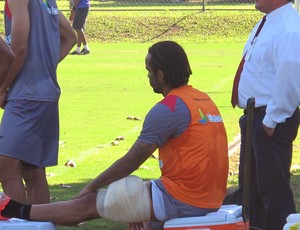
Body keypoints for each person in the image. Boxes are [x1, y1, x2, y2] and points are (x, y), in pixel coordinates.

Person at [0, 41, 229, 229]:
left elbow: (133, 160)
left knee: (90, 204)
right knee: (146, 218)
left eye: (149, 71)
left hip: (184, 198)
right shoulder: (203, 99)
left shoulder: (168, 108)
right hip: (210, 196)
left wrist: (92, 187)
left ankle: (16, 210)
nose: (147, 76)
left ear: (161, 75)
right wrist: (136, 206)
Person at [224, 0, 300, 229]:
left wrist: (272, 119)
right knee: (251, 191)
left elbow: (291, 75)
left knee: (272, 189)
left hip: (270, 117)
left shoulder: (289, 26)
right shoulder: (269, 22)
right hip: (256, 115)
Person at [0, 0, 77, 204]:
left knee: (7, 165)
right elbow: (70, 37)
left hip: (25, 93)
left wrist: (3, 86)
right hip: (46, 91)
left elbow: (19, 46)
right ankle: (40, 224)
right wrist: (45, 65)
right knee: (33, 169)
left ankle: (17, 224)